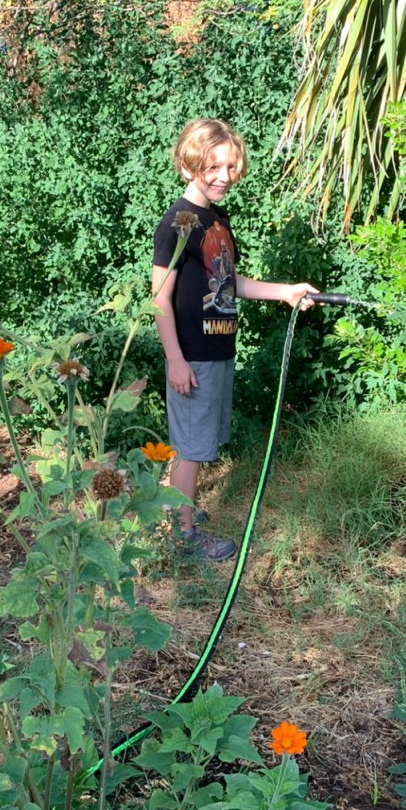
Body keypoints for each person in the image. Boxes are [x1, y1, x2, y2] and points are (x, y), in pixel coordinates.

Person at [152, 118, 318, 562]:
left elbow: (228, 282)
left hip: (218, 347)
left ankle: (178, 512)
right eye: (214, 167)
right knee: (191, 447)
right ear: (189, 166)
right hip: (193, 354)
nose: (224, 177)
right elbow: (159, 297)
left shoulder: (215, 218)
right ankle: (182, 537)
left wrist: (284, 291)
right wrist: (175, 360)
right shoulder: (177, 222)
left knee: (198, 440)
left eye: (230, 167)